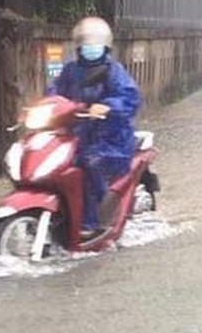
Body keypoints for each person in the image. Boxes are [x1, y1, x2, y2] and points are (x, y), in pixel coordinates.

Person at [46, 16, 141, 239]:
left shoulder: (114, 71)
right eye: (86, 44)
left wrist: (107, 107)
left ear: (105, 45)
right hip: (79, 135)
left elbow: (130, 98)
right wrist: (47, 106)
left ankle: (93, 221)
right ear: (79, 46)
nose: (90, 48)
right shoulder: (70, 71)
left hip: (111, 139)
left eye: (95, 43)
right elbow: (54, 92)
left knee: (90, 163)